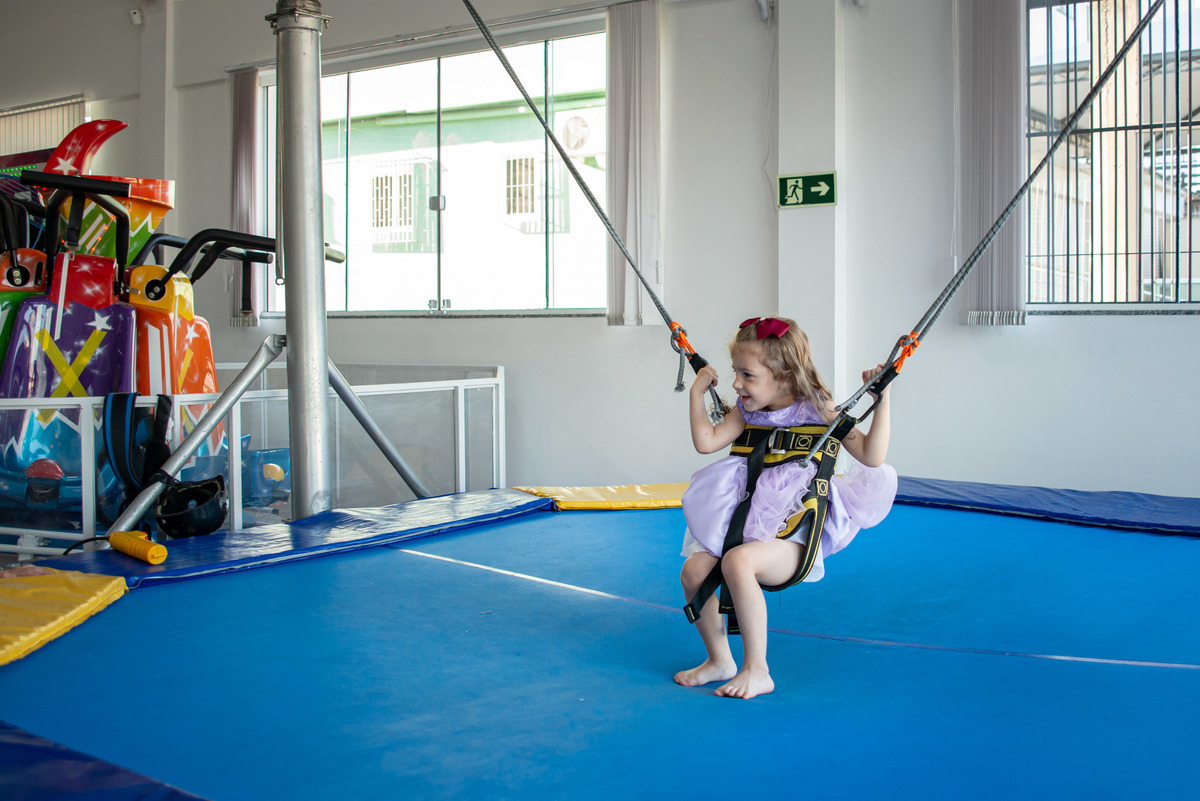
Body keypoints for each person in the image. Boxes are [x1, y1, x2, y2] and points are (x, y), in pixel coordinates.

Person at [674, 316, 897, 699]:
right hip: (744, 525)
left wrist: (882, 400)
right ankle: (720, 660)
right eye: (735, 372)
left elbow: (871, 456)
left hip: (793, 536)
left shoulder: (820, 409)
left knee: (738, 562)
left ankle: (757, 670)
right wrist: (697, 394)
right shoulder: (747, 411)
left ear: (785, 377)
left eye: (747, 375)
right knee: (693, 571)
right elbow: (707, 442)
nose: (736, 383)